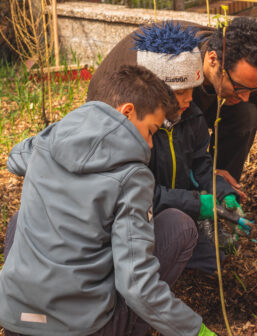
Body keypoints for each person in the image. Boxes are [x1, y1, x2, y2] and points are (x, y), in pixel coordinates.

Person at [0, 65, 217, 336]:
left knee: (21, 220)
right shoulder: (133, 177)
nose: (150, 144)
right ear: (127, 112)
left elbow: (14, 158)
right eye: (151, 131)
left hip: (15, 321)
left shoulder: (48, 141)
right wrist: (197, 331)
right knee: (179, 225)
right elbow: (137, 286)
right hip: (83, 329)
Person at [87, 17, 257, 222]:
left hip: (180, 122)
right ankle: (186, 206)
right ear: (213, 60)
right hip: (132, 124)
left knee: (246, 113)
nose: (246, 96)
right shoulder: (168, 68)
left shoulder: (249, 76)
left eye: (253, 89)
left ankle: (217, 198)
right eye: (239, 87)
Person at [134, 22, 241, 274]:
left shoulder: (191, 117)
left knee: (214, 260)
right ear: (153, 92)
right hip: (139, 220)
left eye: (192, 89)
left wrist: (222, 192)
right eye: (180, 92)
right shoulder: (136, 130)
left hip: (181, 210)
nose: (189, 99)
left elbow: (200, 165)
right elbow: (142, 195)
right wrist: (197, 205)